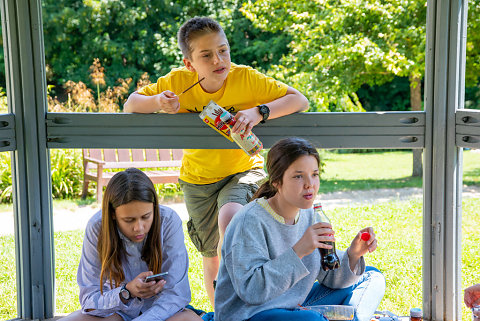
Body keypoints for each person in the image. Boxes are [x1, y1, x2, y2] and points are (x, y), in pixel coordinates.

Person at [123, 16, 309, 304]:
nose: (218, 60)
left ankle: (249, 300)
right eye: (206, 55)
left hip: (242, 171)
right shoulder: (177, 82)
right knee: (211, 254)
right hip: (198, 179)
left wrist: (259, 112)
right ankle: (223, 310)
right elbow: (130, 104)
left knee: (230, 217)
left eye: (223, 50)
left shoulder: (246, 78)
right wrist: (158, 102)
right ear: (189, 63)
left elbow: (299, 100)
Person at [214, 137, 386, 321]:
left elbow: (329, 277)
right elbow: (252, 291)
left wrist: (353, 254)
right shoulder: (249, 221)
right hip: (249, 315)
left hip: (294, 306)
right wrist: (299, 250)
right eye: (298, 176)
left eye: (314, 174)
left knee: (371, 276)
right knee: (312, 320)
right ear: (276, 181)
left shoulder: (310, 214)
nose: (309, 184)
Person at [62, 168, 202, 321]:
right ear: (113, 214)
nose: (139, 228)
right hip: (116, 311)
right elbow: (89, 300)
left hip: (162, 313)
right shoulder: (97, 227)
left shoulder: (168, 221)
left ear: (154, 207)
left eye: (146, 216)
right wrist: (126, 292)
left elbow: (176, 294)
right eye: (129, 220)